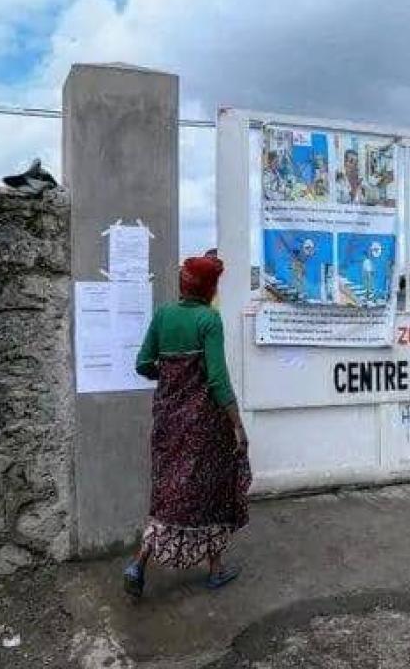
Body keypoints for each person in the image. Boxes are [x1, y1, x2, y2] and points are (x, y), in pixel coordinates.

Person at [122, 254, 251, 599]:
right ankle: (215, 569)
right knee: (213, 492)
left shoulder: (164, 315)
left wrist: (171, 376)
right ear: (210, 288)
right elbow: (218, 380)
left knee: (168, 493)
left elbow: (143, 364)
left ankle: (138, 564)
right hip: (204, 426)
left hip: (167, 421)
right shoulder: (209, 319)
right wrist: (237, 426)